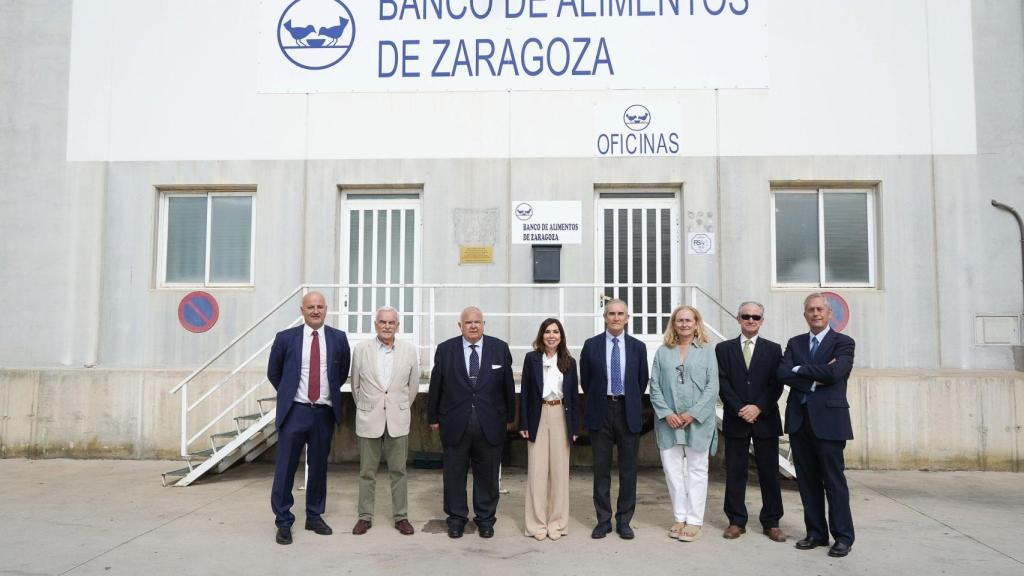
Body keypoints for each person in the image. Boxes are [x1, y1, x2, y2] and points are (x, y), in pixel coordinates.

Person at [268, 291, 350, 545]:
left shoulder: (338, 338)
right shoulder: (286, 338)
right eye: (310, 307)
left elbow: (342, 371)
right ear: (302, 310)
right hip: (295, 411)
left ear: (326, 310)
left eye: (320, 307)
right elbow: (275, 373)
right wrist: (291, 395)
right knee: (285, 469)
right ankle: (283, 521)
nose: (316, 311)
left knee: (318, 467)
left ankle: (314, 516)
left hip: (323, 413)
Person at [778, 293, 856, 558]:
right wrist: (813, 376)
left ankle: (843, 537)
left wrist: (800, 369)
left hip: (830, 423)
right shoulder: (795, 342)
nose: (815, 313)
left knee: (834, 482)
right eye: (810, 310)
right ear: (805, 314)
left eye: (820, 309)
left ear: (829, 313)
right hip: (800, 422)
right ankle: (815, 533)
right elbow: (782, 373)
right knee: (808, 482)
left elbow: (836, 373)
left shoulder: (843, 343)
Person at [427, 306, 515, 539]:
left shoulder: (500, 348)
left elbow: (508, 387)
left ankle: (485, 519)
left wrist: (510, 418)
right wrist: (433, 417)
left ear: (484, 324)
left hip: (490, 423)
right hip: (455, 423)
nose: (473, 326)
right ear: (460, 326)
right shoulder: (446, 350)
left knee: (487, 475)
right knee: (454, 474)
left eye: (478, 322)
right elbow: (436, 385)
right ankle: (456, 519)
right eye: (468, 323)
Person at [716, 301, 786, 542]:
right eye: (746, 316)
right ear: (738, 319)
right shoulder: (723, 349)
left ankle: (772, 521)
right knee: (736, 471)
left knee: (769, 473)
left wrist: (758, 407)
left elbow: (777, 383)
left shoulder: (774, 349)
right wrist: (739, 408)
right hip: (737, 419)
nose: (751, 320)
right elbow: (722, 383)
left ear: (762, 321)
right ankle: (736, 520)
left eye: (756, 317)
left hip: (765, 418)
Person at [580, 298, 649, 540]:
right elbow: (586, 381)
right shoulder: (591, 346)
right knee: (601, 470)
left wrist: (626, 400)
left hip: (627, 411)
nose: (616, 318)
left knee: (628, 470)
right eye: (612, 314)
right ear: (605, 317)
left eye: (621, 314)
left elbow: (641, 381)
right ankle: (603, 520)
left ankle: (624, 521)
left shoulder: (638, 347)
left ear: (628, 318)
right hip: (601, 411)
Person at [649, 305, 719, 542]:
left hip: (697, 421)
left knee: (697, 470)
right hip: (668, 421)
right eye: (680, 320)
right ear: (674, 324)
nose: (684, 324)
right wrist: (667, 412)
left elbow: (712, 387)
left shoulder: (708, 351)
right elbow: (655, 385)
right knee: (673, 471)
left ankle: (695, 521)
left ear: (697, 323)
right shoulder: (663, 352)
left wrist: (693, 413)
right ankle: (679, 517)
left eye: (689, 320)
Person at [350, 306, 419, 536]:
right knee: (366, 472)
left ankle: (401, 517)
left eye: (391, 322)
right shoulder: (361, 350)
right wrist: (370, 406)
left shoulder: (409, 351)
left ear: (398, 326)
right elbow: (356, 386)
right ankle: (364, 516)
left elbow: (413, 387)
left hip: (398, 419)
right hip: (369, 418)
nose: (387, 326)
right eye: (383, 322)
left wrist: (397, 408)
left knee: (398, 471)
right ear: (375, 324)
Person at [518, 318, 581, 541]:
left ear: (561, 336)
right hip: (538, 415)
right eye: (547, 331)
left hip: (560, 415)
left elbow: (573, 396)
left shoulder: (569, 361)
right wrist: (523, 423)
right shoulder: (531, 359)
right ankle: (536, 524)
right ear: (541, 335)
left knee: (560, 472)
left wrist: (574, 427)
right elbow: (525, 392)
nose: (551, 335)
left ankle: (557, 523)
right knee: (537, 472)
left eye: (555, 332)